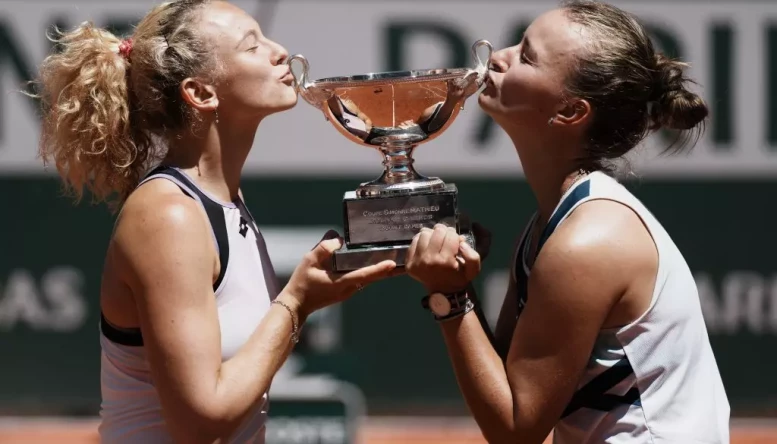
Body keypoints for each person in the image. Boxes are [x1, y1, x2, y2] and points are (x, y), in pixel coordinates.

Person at [33, 0, 396, 442]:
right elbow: (202, 421)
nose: (280, 51)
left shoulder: (226, 201)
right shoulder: (169, 215)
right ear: (201, 93)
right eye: (252, 46)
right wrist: (297, 303)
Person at [404, 1, 730, 443]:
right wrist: (458, 290)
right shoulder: (553, 224)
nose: (499, 54)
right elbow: (502, 381)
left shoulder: (586, 241)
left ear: (570, 112)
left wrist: (449, 295)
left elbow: (517, 430)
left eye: (526, 56)